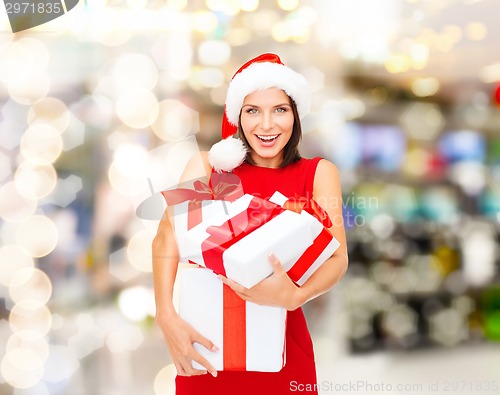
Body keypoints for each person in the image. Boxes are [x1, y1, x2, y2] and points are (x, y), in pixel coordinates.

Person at [152, 53, 348, 394]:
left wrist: (296, 296)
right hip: (206, 345)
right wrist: (165, 315)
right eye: (253, 110)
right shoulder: (208, 168)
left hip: (283, 350)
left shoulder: (318, 173)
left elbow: (338, 257)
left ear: (296, 115)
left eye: (280, 110)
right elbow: (166, 237)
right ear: (237, 117)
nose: (267, 125)